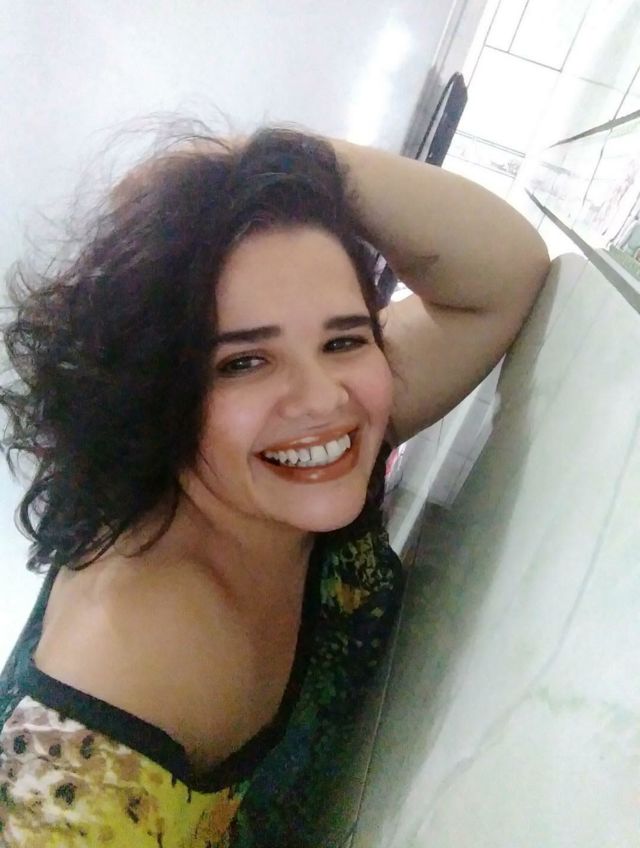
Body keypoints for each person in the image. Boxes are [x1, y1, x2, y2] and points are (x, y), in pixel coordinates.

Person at [0, 124, 549, 846]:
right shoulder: (120, 681)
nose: (321, 397)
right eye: (242, 363)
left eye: (343, 339)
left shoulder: (296, 456)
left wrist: (274, 160)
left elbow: (503, 274)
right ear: (161, 390)